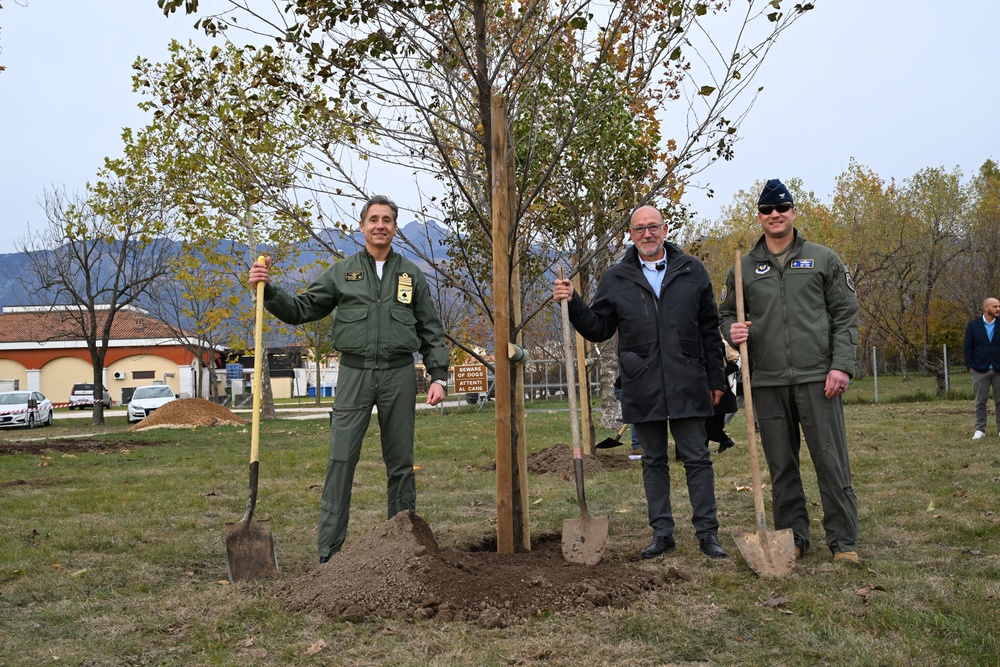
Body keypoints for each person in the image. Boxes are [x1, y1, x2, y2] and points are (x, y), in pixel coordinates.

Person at [248, 195, 450, 563]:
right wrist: (269, 290)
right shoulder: (342, 272)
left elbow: (431, 330)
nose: (380, 225)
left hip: (399, 374)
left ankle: (402, 548)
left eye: (387, 220)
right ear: (362, 226)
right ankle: (329, 554)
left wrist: (438, 376)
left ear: (394, 228)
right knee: (341, 461)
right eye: (373, 219)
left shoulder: (411, 275)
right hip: (354, 373)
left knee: (401, 462)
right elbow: (301, 308)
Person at [553, 205, 729, 559]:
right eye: (639, 229)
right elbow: (599, 328)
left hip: (688, 380)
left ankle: (708, 534)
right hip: (642, 382)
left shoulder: (692, 270)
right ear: (630, 235)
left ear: (665, 229)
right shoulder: (616, 278)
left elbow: (709, 329)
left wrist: (716, 379)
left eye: (653, 227)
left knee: (697, 458)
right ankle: (662, 533)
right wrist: (573, 302)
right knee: (653, 460)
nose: (647, 234)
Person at [719, 178, 860, 564]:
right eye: (767, 210)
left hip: (819, 378)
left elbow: (846, 315)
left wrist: (841, 366)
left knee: (830, 460)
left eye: (781, 208)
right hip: (766, 379)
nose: (775, 215)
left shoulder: (822, 259)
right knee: (782, 465)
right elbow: (728, 313)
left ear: (794, 212)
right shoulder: (743, 267)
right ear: (760, 217)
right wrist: (730, 330)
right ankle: (793, 538)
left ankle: (843, 541)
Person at [963, 297, 1000, 439]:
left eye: (999, 306)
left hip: (998, 369)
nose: (998, 309)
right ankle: (980, 430)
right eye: (995, 306)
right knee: (980, 402)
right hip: (979, 370)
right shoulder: (974, 325)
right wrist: (970, 367)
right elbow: (968, 347)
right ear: (986, 308)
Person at [705, 339, 740, 453]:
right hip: (707, 386)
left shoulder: (724, 343)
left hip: (723, 389)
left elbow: (737, 363)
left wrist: (719, 374)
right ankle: (723, 442)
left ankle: (725, 441)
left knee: (711, 424)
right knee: (707, 423)